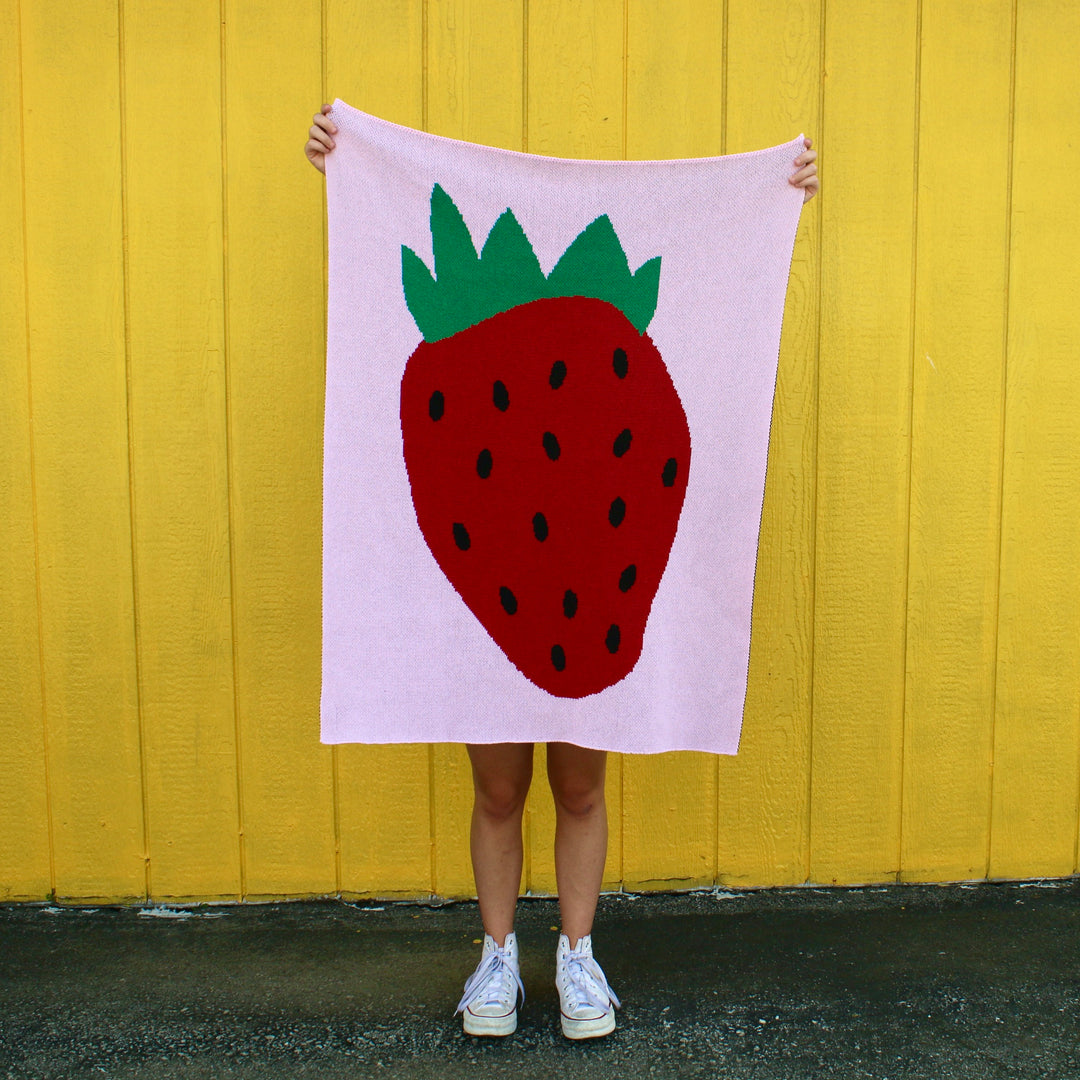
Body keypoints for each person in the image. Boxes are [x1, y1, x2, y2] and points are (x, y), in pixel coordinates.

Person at [305, 103, 818, 1040]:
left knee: (582, 787)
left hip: (585, 535)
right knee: (497, 790)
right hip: (507, 568)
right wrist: (348, 162)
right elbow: (382, 213)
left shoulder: (603, 368)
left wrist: (771, 191)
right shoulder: (460, 378)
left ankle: (578, 956)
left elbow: (714, 255)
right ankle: (496, 957)